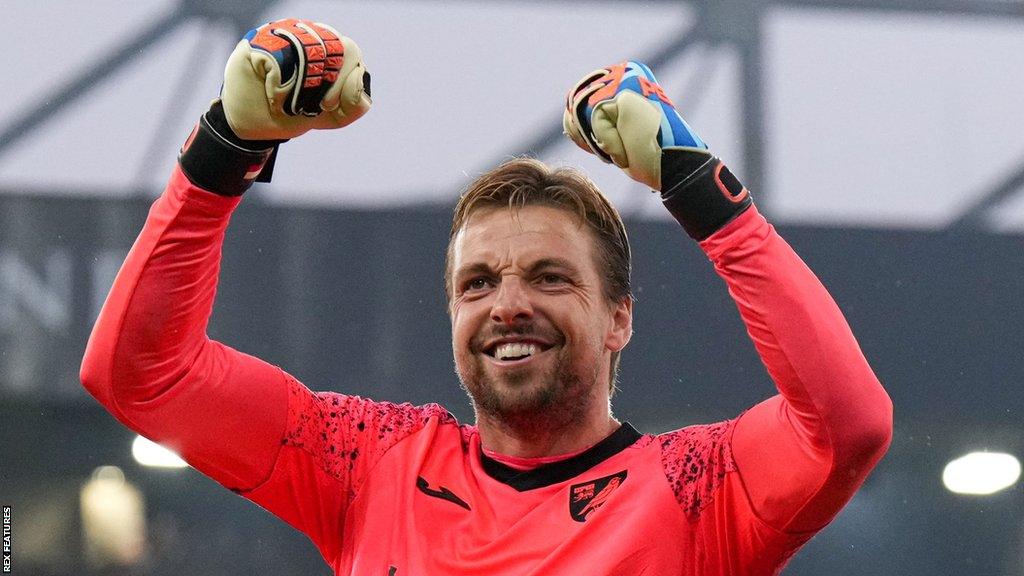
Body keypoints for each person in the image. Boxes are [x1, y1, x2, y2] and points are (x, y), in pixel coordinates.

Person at [80, 18, 893, 575]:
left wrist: (699, 189)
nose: (507, 304)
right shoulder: (367, 465)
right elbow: (138, 375)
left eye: (549, 276)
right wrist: (224, 148)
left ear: (620, 318)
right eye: (478, 283)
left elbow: (848, 425)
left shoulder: (697, 493)